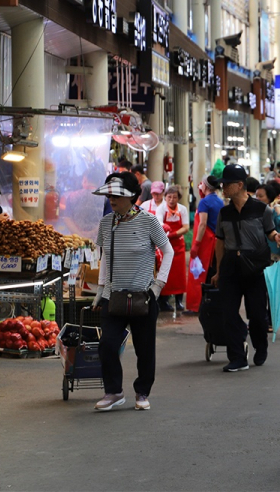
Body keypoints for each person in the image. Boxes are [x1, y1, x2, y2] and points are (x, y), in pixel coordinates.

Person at [90, 172, 173, 411]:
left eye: (117, 195)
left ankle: (142, 391)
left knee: (145, 348)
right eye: (110, 195)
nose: (112, 200)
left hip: (143, 297)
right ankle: (114, 392)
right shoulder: (107, 222)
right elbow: (105, 257)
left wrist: (158, 285)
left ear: (132, 197)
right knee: (107, 344)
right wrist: (101, 290)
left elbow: (168, 251)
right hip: (112, 297)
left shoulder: (148, 221)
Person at [213, 165, 280, 372]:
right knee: (228, 313)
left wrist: (277, 237)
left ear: (239, 185)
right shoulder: (224, 212)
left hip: (255, 268)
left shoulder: (262, 209)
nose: (223, 187)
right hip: (230, 268)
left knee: (257, 314)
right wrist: (219, 271)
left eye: (227, 184)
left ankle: (260, 345)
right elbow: (219, 243)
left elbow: (270, 232)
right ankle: (237, 356)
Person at [187, 176, 223, 313]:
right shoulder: (219, 201)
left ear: (206, 186)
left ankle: (199, 305)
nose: (199, 186)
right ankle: (212, 304)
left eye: (201, 184)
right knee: (212, 273)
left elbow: (202, 224)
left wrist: (196, 244)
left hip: (205, 244)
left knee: (200, 274)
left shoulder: (204, 202)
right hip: (216, 244)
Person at [155, 186, 189, 312]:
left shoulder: (183, 209)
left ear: (178, 198)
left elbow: (185, 227)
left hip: (179, 246)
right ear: (165, 197)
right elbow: (158, 223)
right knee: (165, 273)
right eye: (169, 197)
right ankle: (164, 301)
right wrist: (165, 227)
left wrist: (174, 234)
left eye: (174, 197)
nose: (171, 200)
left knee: (179, 274)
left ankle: (179, 301)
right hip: (165, 245)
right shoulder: (161, 209)